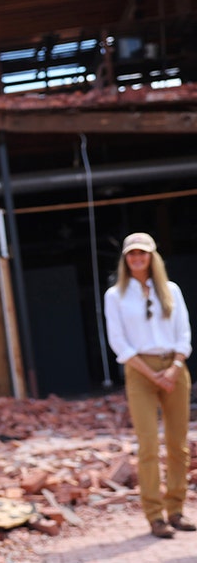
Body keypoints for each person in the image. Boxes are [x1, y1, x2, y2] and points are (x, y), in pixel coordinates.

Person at [104, 231, 193, 539]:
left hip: (174, 367)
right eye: (132, 254)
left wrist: (174, 367)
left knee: (178, 444)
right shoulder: (115, 295)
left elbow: (184, 333)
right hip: (139, 370)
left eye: (143, 253)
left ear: (152, 257)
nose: (137, 258)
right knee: (148, 444)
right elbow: (118, 341)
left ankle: (177, 509)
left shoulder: (170, 290)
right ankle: (154, 515)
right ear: (126, 259)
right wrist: (150, 373)